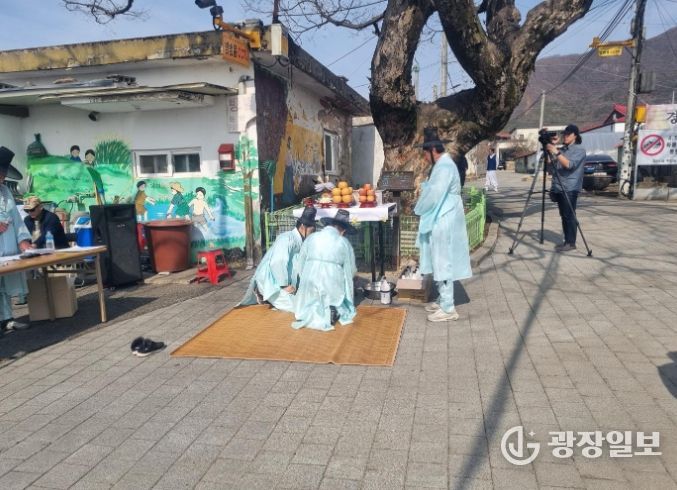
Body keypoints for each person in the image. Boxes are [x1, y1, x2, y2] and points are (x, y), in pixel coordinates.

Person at [415, 128, 472, 322]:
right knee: (439, 258)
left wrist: (419, 207)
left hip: (444, 216)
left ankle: (448, 307)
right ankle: (443, 299)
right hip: (443, 214)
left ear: (432, 150)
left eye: (425, 152)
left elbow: (434, 194)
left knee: (442, 260)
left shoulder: (444, 167)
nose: (424, 157)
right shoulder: (443, 165)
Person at [240, 206, 317, 312]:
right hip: (272, 284)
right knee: (299, 308)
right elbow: (277, 262)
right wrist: (284, 285)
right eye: (312, 231)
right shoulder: (287, 239)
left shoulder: (299, 241)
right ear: (303, 227)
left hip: (283, 282)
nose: (312, 234)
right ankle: (261, 292)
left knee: (309, 300)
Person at [292, 208, 357, 331]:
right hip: (331, 284)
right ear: (343, 231)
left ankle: (310, 309)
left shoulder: (312, 238)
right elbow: (350, 271)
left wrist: (304, 280)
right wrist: (349, 290)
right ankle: (332, 308)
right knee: (335, 288)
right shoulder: (343, 243)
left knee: (310, 298)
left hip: (309, 282)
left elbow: (300, 263)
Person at [0, 147, 32, 333]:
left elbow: (17, 219)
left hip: (9, 248)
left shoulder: (6, 191)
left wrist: (23, 239)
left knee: (4, 286)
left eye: (4, 174)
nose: (2, 178)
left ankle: (7, 320)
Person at [545, 124, 586, 252]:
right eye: (564, 134)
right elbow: (550, 163)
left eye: (568, 134)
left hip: (570, 187)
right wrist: (550, 148)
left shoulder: (579, 150)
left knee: (569, 215)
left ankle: (571, 242)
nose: (566, 136)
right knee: (564, 215)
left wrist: (556, 151)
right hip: (558, 187)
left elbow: (569, 165)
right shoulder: (562, 149)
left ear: (575, 135)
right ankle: (567, 241)